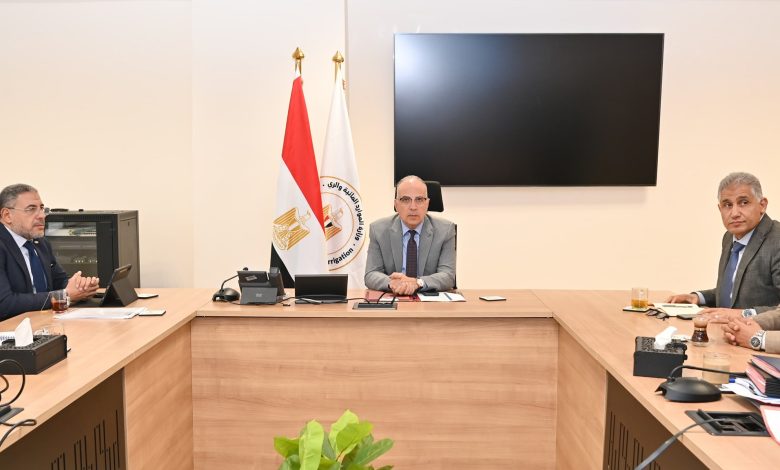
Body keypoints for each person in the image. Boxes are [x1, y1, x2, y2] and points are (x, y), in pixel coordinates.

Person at [667, 172, 780, 316]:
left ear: (762, 205)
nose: (734, 213)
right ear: (720, 209)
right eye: (727, 205)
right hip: (721, 326)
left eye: (743, 202)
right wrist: (698, 297)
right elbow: (733, 292)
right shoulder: (729, 237)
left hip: (758, 329)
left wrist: (743, 314)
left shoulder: (776, 240)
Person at [0, 184, 99, 320]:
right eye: (31, 209)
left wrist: (81, 287)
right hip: (13, 328)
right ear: (7, 215)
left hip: (45, 321)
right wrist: (65, 295)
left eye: (42, 208)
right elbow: (5, 304)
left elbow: (60, 282)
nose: (41, 216)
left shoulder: (40, 243)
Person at [364, 175, 456, 295]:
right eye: (406, 200)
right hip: (395, 296)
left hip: (428, 299)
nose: (413, 207)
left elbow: (448, 276)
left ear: (427, 203)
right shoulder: (378, 230)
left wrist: (418, 282)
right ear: (396, 204)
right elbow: (371, 274)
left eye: (419, 199)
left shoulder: (445, 230)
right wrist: (393, 283)